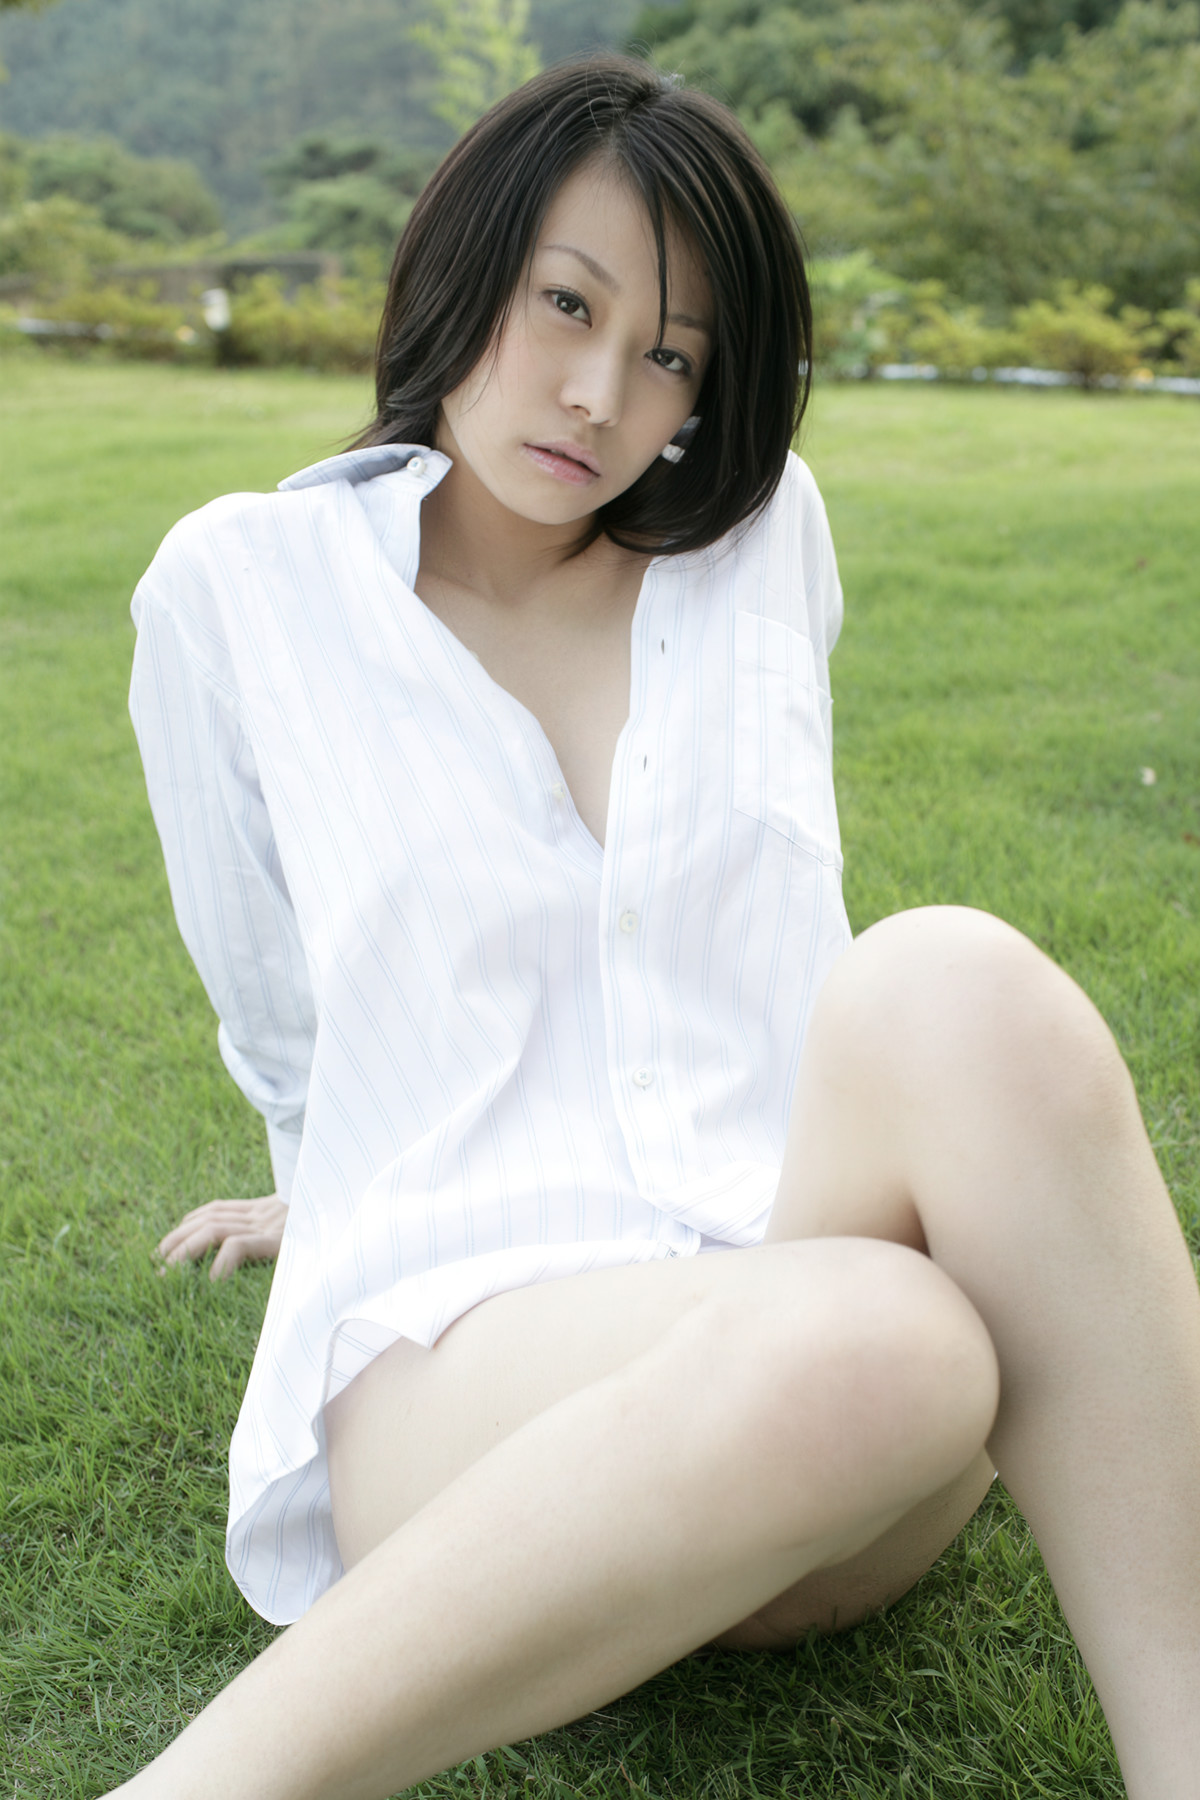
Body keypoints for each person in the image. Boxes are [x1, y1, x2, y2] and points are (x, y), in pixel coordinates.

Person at [112, 54, 1200, 1800]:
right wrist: (319, 1177)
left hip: (815, 1364)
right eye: (568, 304)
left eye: (672, 355)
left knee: (954, 980)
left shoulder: (761, 538)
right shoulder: (242, 585)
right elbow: (271, 991)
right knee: (895, 1334)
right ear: (467, 262)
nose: (599, 394)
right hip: (468, 1357)